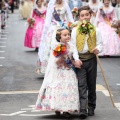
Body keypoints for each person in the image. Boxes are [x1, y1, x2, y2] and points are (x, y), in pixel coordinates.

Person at [36, 28, 81, 118]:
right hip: (58, 70)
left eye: (68, 34)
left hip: (68, 70)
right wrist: (60, 57)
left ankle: (66, 109)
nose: (67, 36)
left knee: (69, 88)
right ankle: (57, 107)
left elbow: (75, 54)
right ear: (59, 37)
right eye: (65, 35)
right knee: (58, 88)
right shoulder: (56, 46)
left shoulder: (71, 46)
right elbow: (54, 61)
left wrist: (77, 60)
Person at [71, 6, 102, 119]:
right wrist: (76, 59)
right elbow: (73, 46)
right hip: (80, 61)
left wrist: (97, 49)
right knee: (81, 85)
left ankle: (91, 106)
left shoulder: (96, 30)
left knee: (91, 84)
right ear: (79, 17)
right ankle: (83, 108)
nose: (84, 17)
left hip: (92, 59)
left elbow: (100, 44)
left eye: (86, 15)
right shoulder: (75, 30)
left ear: (90, 16)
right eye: (82, 15)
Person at [38, 0, 74, 73]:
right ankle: (51, 67)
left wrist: (72, 26)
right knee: (51, 47)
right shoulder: (51, 5)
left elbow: (69, 17)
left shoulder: (65, 5)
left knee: (65, 47)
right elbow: (48, 19)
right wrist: (46, 30)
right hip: (53, 29)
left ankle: (65, 64)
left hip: (63, 28)